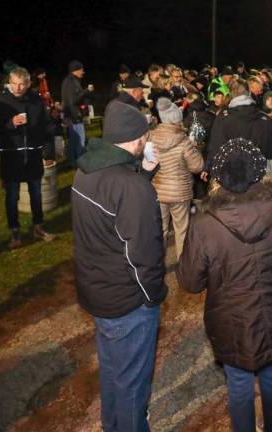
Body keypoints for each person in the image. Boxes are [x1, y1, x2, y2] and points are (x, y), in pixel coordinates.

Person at [177, 138, 272, 432]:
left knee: (240, 382)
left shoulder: (205, 222)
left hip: (230, 321)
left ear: (219, 178)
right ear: (261, 172)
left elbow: (189, 280)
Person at [71, 99, 165, 431]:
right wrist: (153, 296)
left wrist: (145, 172)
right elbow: (144, 255)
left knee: (113, 375)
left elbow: (114, 202)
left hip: (98, 293)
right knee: (133, 388)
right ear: (137, 137)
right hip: (128, 302)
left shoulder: (87, 169)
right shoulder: (131, 187)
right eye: (145, 135)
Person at [0, 67, 56, 249]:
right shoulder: (0, 101)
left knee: (36, 193)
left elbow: (47, 127)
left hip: (33, 155)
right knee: (12, 196)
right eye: (14, 83)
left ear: (28, 84)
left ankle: (38, 226)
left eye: (22, 84)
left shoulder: (36, 100)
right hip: (12, 156)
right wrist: (10, 124)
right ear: (9, 82)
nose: (18, 87)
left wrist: (48, 152)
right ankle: (15, 232)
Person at [150, 98, 204, 260]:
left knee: (161, 229)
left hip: (157, 191)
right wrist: (196, 149)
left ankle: (158, 264)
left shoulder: (150, 137)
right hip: (179, 192)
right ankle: (183, 265)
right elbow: (197, 166)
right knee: (182, 229)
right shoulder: (184, 141)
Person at [205, 79, 272, 172]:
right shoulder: (265, 119)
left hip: (230, 177)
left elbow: (215, 150)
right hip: (257, 175)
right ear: (249, 93)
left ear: (230, 94)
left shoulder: (222, 119)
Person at [61, 60, 93, 166]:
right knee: (80, 139)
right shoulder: (71, 82)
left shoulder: (70, 80)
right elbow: (74, 100)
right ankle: (81, 161)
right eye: (81, 69)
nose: (83, 72)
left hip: (71, 114)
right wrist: (86, 91)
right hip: (74, 115)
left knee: (74, 139)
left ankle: (71, 160)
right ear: (76, 70)